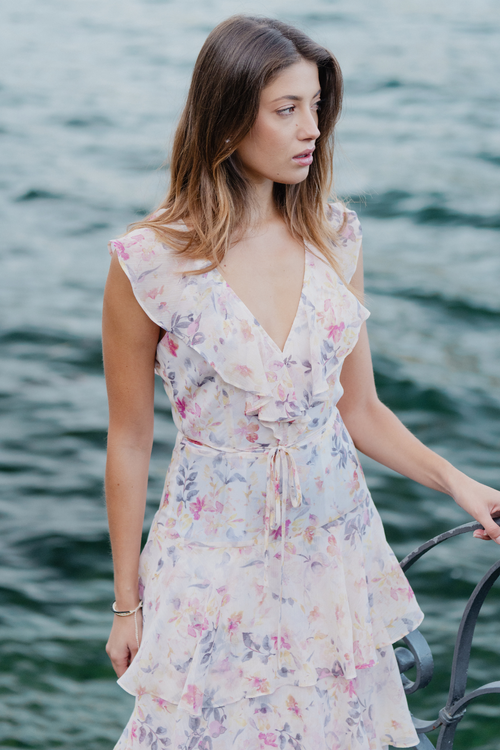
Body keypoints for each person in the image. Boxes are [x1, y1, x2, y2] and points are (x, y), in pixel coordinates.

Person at [102, 14, 500, 750]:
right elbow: (128, 441)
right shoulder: (148, 263)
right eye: (286, 110)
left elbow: (361, 409)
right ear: (226, 119)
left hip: (332, 552)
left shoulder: (334, 234)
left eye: (316, 107)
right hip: (213, 558)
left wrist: (460, 484)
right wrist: (128, 606)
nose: (310, 128)